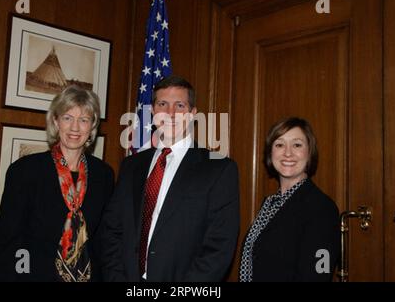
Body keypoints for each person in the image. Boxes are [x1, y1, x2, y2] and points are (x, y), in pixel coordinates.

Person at [99, 75, 240, 282]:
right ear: (153, 112)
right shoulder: (131, 166)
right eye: (162, 104)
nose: (170, 113)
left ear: (192, 114)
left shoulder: (218, 168)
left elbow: (219, 248)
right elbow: (112, 231)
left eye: (180, 105)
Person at [0, 85, 114, 282]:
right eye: (67, 118)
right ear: (55, 121)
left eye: (83, 120)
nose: (75, 127)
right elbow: (9, 242)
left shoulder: (104, 174)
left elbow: (103, 239)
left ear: (92, 126)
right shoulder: (25, 170)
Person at [239, 117, 340, 282]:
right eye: (279, 144)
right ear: (271, 153)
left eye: (297, 145)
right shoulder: (272, 204)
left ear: (309, 153)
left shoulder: (322, 209)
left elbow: (317, 277)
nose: (287, 153)